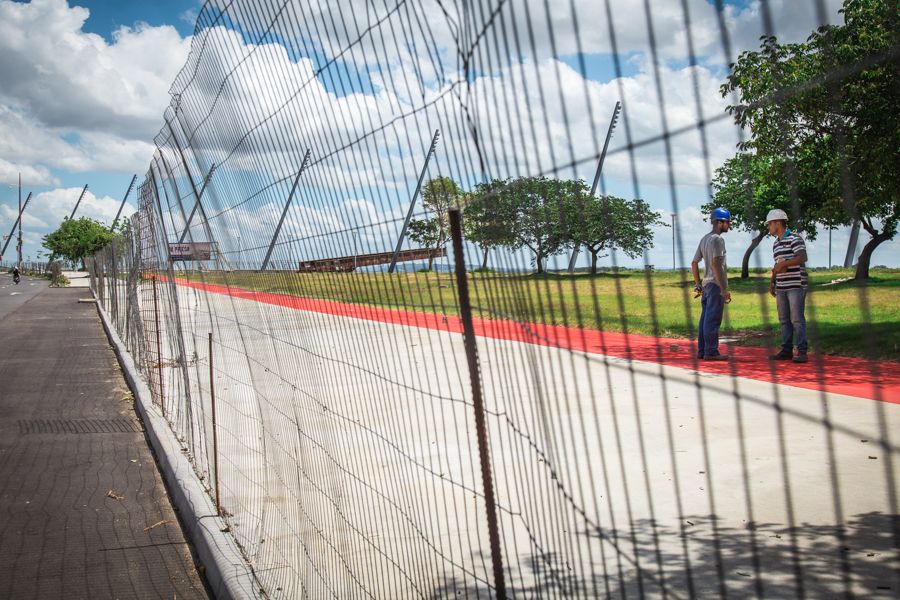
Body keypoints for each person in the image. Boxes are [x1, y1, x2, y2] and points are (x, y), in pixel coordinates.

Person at [766, 209, 809, 363]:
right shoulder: (776, 244)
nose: (768, 227)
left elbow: (802, 257)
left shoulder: (795, 238)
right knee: (784, 319)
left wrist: (785, 263)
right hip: (782, 285)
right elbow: (777, 264)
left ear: (778, 223)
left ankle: (802, 351)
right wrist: (773, 281)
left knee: (796, 319)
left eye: (770, 224)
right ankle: (786, 350)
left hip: (796, 284)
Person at [691, 207, 732, 360]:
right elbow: (716, 264)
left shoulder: (704, 239)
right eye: (727, 222)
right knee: (713, 319)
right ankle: (711, 352)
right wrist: (724, 289)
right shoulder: (718, 239)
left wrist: (698, 284)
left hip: (706, 285)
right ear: (720, 222)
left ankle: (702, 351)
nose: (729, 225)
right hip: (715, 285)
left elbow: (694, 263)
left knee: (705, 319)